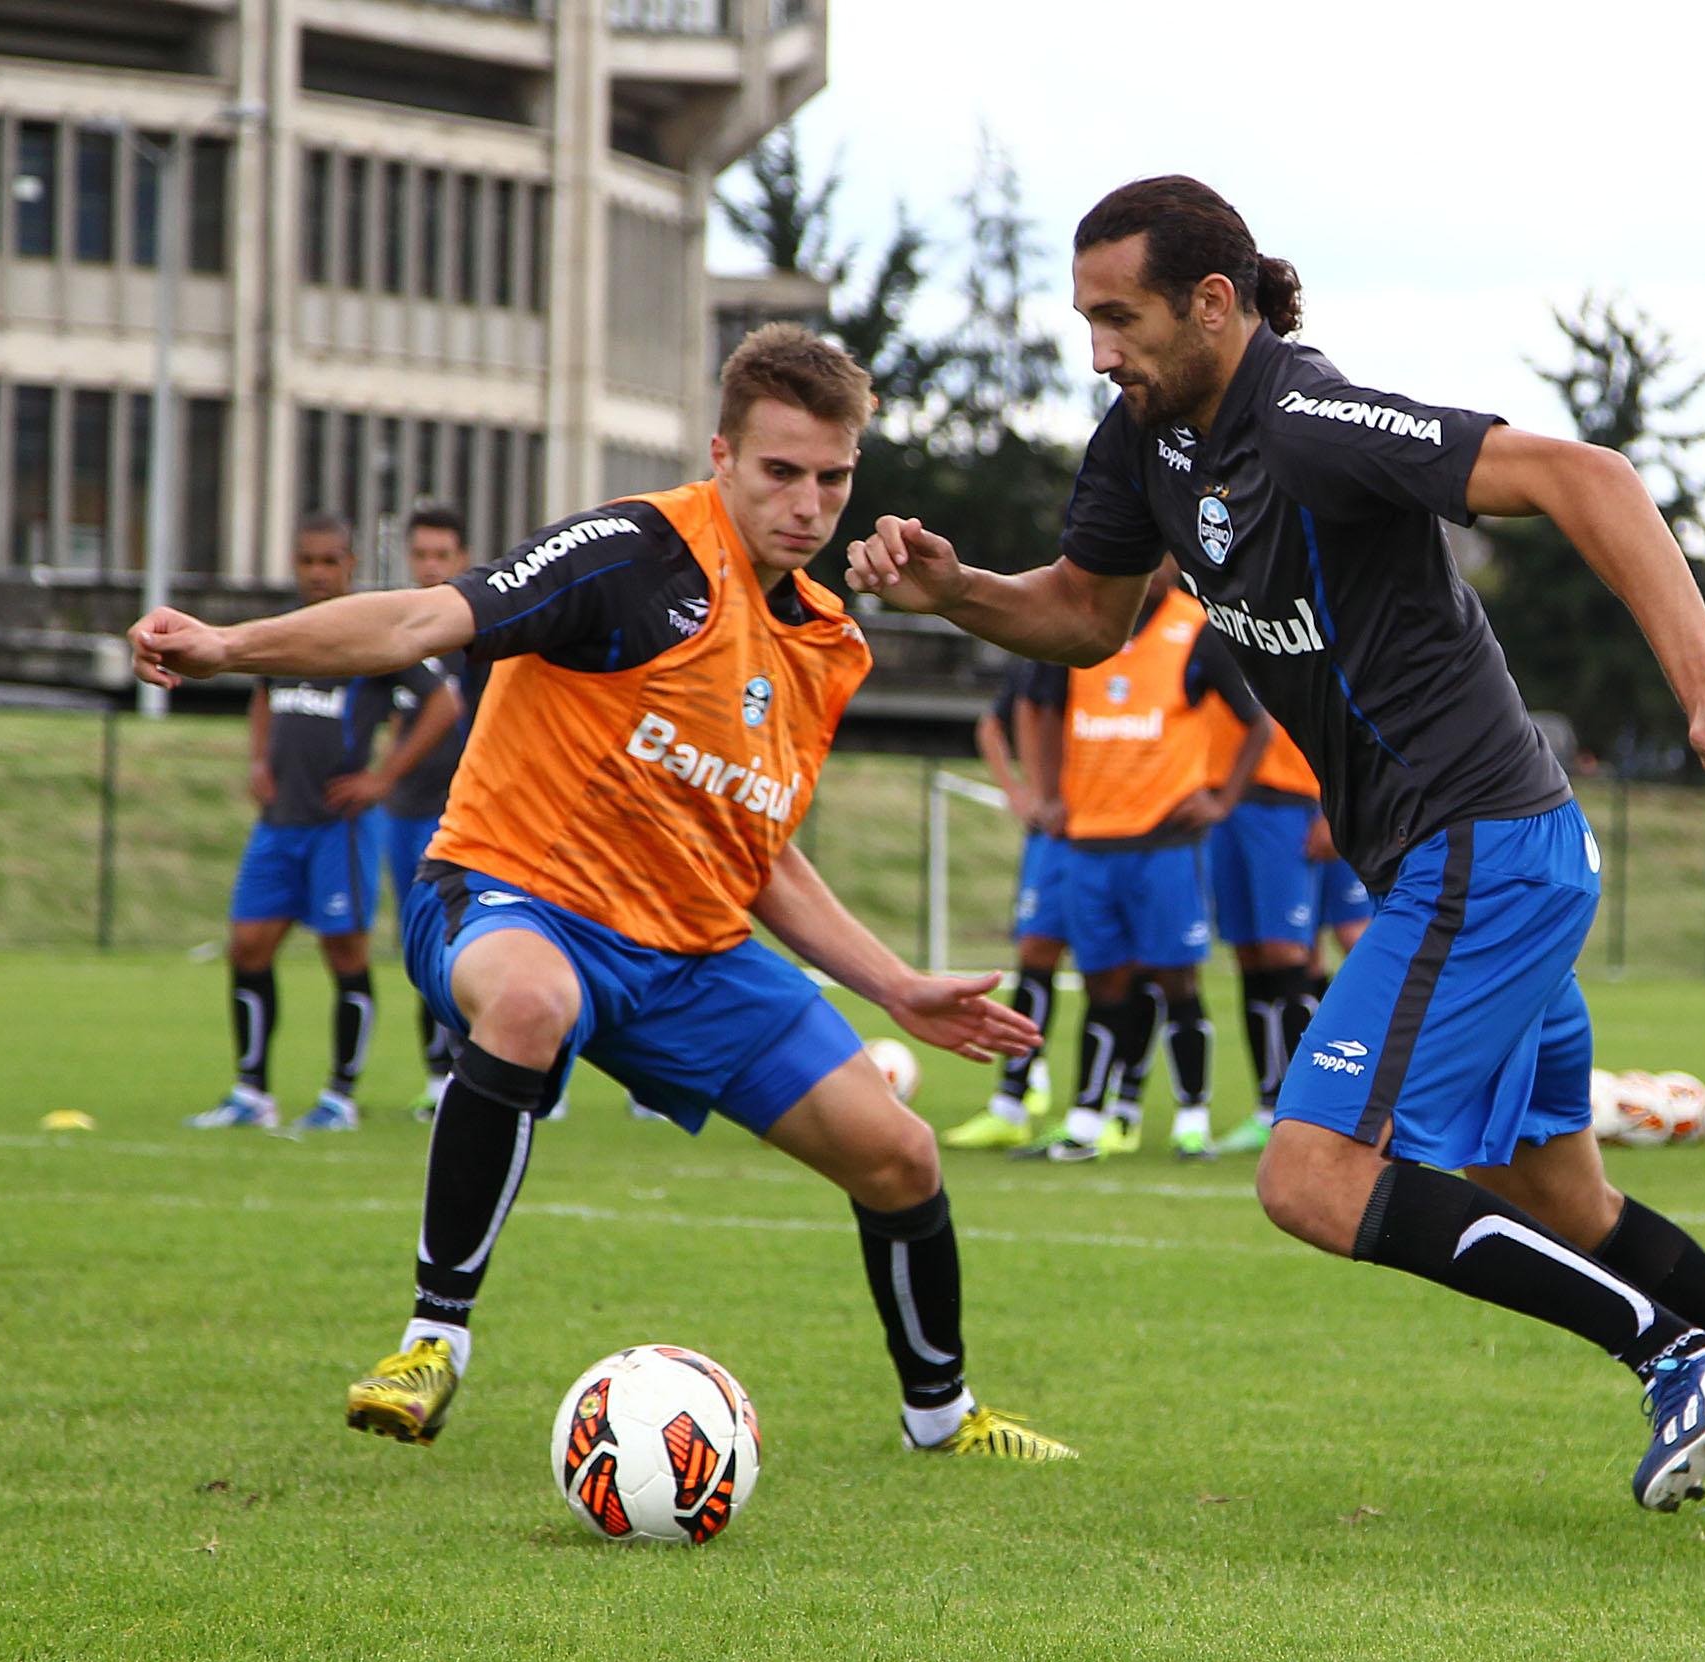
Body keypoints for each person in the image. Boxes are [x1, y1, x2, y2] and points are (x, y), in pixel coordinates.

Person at [843, 176, 1705, 1513]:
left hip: (1484, 850)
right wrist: (959, 594)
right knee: (1560, 1198)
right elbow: (1087, 615)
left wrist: (1701, 681)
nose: (1099, 350)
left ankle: (1682, 1352)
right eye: (1087, 320)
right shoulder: (1145, 439)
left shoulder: (1306, 421)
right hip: (1466, 864)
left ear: (1213, 305)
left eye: (1121, 317)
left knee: (1311, 1174)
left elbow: (1591, 478)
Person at [131, 324, 1076, 1462]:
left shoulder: (824, 640)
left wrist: (896, 985)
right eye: (780, 470)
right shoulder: (632, 552)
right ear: (721, 453)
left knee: (900, 1154)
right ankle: (431, 1341)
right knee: (529, 1003)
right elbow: (424, 618)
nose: (807, 502)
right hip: (504, 892)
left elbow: (755, 847)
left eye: (832, 478)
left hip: (686, 954)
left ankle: (942, 1416)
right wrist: (231, 645)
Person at [187, 514, 459, 1134]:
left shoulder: (367, 635)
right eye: (307, 561)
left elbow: (443, 701)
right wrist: (258, 757)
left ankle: (340, 1095)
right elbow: (260, 691)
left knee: (346, 952)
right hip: (279, 823)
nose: (317, 573)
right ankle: (251, 1092)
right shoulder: (284, 634)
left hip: (341, 824)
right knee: (249, 946)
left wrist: (385, 778)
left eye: (329, 562)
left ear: (350, 566)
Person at [1020, 561, 1270, 1162]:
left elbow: (1256, 723)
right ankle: (1085, 1119)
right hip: (1090, 841)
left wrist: (1222, 799)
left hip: (1163, 844)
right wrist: (1047, 793)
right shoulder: (1082, 625)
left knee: (1176, 979)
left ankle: (1192, 1118)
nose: (1149, 565)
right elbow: (1043, 706)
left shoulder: (1197, 629)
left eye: (1157, 553)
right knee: (1102, 981)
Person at [940, 657, 1066, 1150]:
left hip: (1121, 831)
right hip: (1054, 837)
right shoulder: (1043, 649)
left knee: (1131, 970)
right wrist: (1021, 793)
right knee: (1036, 953)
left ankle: (1114, 1109)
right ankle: (1014, 1099)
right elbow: (994, 723)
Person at [383, 503, 481, 1121]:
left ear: (462, 561)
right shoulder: (399, 634)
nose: (429, 566)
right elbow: (397, 714)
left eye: (441, 555)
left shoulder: (481, 635)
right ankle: (438, 1074)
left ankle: (490, 1072)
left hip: (466, 816)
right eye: (420, 555)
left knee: (473, 948)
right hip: (406, 813)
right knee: (422, 947)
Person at [1200, 692, 1329, 1159]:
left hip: (1289, 800)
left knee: (1287, 952)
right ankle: (1268, 1105)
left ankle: (1315, 1108)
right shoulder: (1204, 628)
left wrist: (1331, 806)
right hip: (1224, 796)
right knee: (1249, 954)